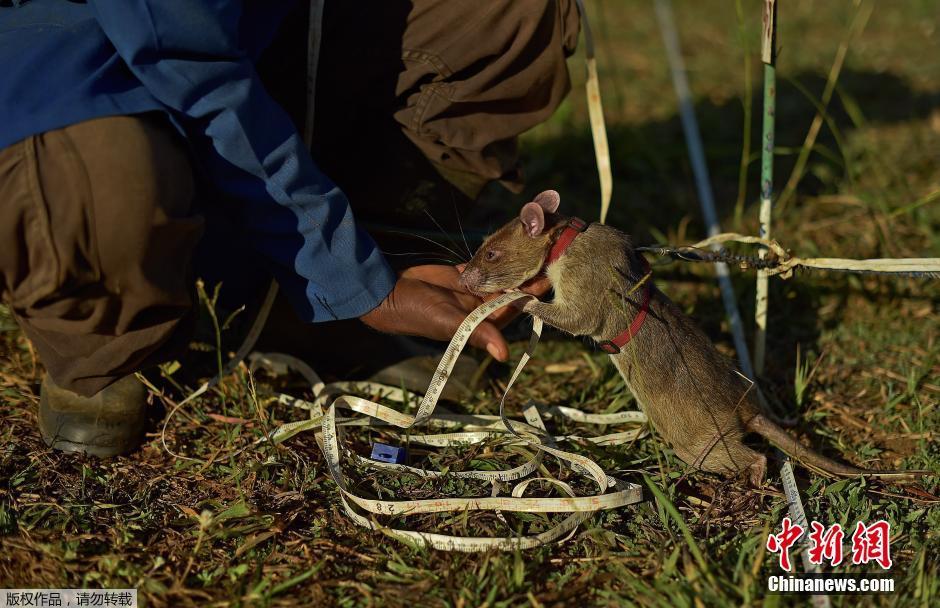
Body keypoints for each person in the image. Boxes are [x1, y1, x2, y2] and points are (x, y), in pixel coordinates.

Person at [0, 0, 580, 456]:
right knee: (101, 178)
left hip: (249, 23)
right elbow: (190, 64)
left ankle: (317, 298)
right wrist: (349, 273)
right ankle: (107, 331)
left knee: (506, 9)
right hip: (73, 53)